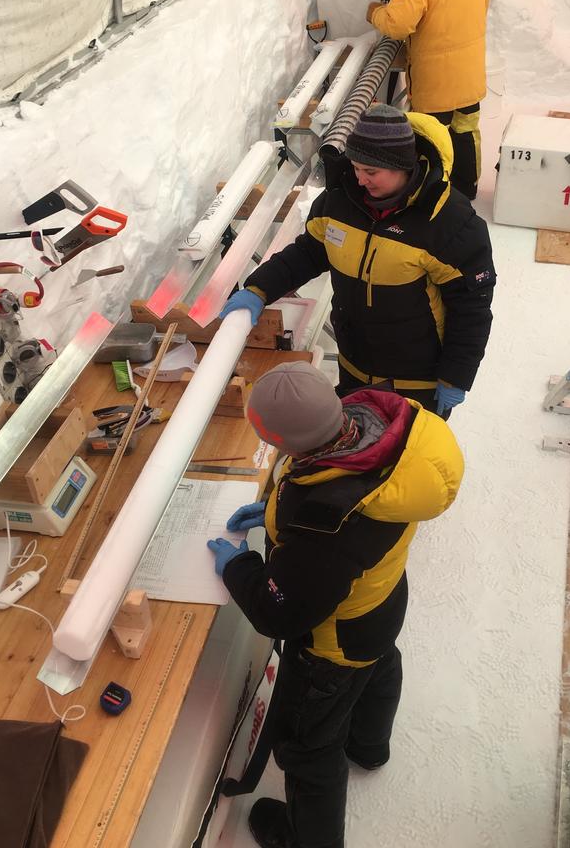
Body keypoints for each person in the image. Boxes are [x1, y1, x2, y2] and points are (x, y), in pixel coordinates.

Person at [207, 360, 464, 848]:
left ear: (284, 442)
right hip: (382, 597)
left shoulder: (325, 520)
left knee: (308, 749)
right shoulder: (392, 429)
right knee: (380, 666)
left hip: (335, 642)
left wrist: (238, 567)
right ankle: (369, 748)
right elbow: (333, 499)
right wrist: (274, 511)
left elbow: (281, 612)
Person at [220, 104, 495, 418]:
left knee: (405, 461)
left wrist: (455, 375)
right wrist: (259, 289)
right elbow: (309, 253)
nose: (360, 180)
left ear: (402, 166)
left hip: (417, 383)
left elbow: (472, 308)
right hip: (354, 369)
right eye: (355, 167)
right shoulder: (339, 202)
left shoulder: (449, 223)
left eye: (371, 172)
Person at [366, 0, 490, 201]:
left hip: (436, 82)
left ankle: (434, 195)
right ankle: (466, 190)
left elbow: (397, 24)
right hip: (470, 74)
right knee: (466, 131)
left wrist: (374, 12)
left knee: (432, 137)